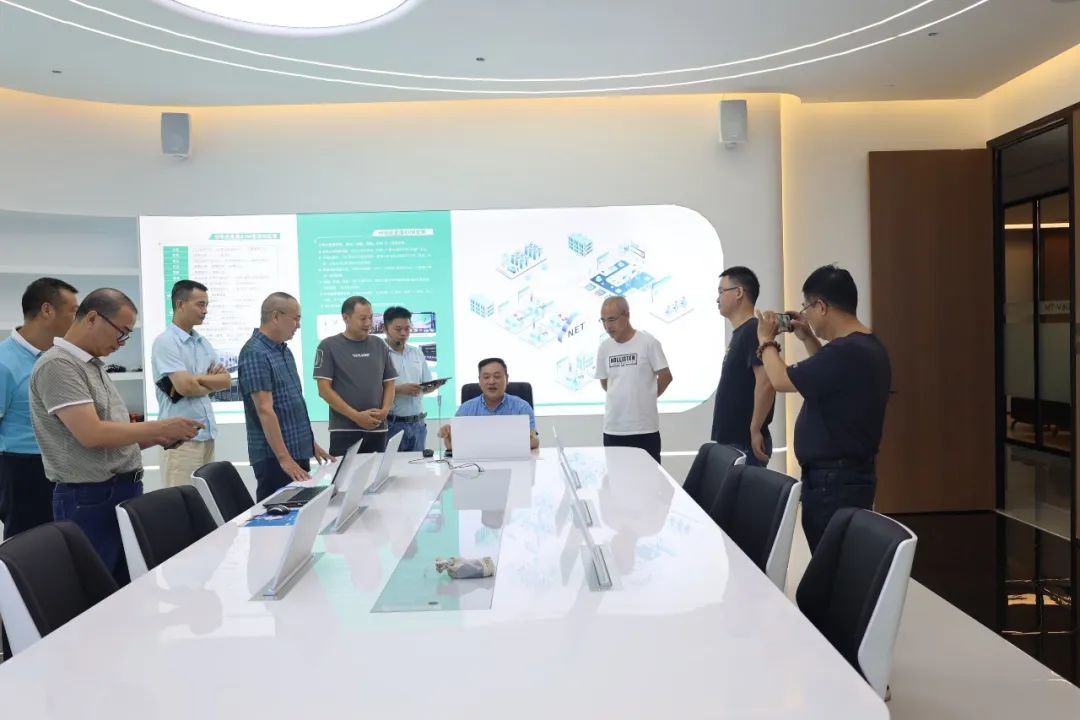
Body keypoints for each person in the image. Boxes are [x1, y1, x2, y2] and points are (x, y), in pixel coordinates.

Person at [29, 289, 203, 583]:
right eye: (121, 332)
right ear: (93, 318)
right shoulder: (58, 365)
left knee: (127, 584)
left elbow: (111, 439)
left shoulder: (91, 365)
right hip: (89, 497)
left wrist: (159, 437)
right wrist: (160, 428)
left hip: (120, 490)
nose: (122, 342)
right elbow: (92, 434)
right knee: (99, 588)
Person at [755, 265, 892, 552]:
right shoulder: (867, 346)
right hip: (847, 478)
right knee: (841, 558)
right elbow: (828, 377)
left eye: (807, 308)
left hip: (834, 483)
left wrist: (766, 340)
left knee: (830, 562)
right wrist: (807, 337)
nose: (806, 315)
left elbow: (780, 380)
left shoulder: (844, 352)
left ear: (821, 306)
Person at [0, 278, 79, 539]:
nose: (77, 320)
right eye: (73, 311)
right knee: (30, 551)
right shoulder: (4, 361)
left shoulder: (63, 357)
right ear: (47, 310)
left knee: (68, 546)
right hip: (24, 471)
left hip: (66, 467)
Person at [239, 292, 331, 501]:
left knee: (300, 510)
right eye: (296, 318)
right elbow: (265, 409)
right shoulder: (255, 352)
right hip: (275, 459)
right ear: (276, 316)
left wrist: (311, 444)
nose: (298, 325)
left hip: (295, 453)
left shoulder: (283, 350)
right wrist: (284, 458)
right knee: (276, 515)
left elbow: (290, 404)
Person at [151, 280, 232, 487]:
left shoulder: (203, 343)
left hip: (206, 434)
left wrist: (196, 380)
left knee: (206, 498)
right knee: (181, 499)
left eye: (206, 305)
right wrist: (205, 381)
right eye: (200, 304)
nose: (205, 311)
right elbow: (184, 387)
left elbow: (225, 381)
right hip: (179, 440)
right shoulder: (166, 342)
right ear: (180, 305)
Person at [313, 296, 397, 455]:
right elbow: (324, 390)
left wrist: (385, 410)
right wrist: (356, 416)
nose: (368, 323)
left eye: (371, 317)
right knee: (345, 472)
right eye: (363, 318)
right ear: (346, 318)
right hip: (344, 429)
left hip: (377, 428)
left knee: (376, 471)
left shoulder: (380, 344)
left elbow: (389, 383)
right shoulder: (328, 346)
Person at [595, 296, 672, 464]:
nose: (607, 326)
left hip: (644, 430)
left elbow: (666, 376)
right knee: (617, 478)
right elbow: (605, 382)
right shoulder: (604, 348)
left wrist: (647, 395)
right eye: (603, 321)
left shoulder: (648, 343)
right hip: (614, 429)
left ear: (627, 315)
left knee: (649, 477)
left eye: (612, 319)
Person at [712, 266, 775, 466]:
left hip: (745, 443)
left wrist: (755, 429)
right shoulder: (742, 332)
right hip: (734, 442)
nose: (717, 299)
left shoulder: (752, 330)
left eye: (721, 291)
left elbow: (766, 381)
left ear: (739, 292)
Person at [438, 358, 539, 452]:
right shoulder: (466, 409)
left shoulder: (521, 407)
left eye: (497, 376)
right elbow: (452, 446)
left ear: (507, 378)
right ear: (479, 381)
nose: (491, 381)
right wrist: (448, 435)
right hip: (476, 462)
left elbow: (534, 441)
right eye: (486, 377)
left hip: (513, 461)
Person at [383, 306, 436, 452]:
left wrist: (429, 387)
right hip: (392, 424)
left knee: (418, 465)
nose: (404, 333)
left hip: (418, 424)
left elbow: (426, 382)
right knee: (393, 465)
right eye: (398, 329)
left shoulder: (416, 352)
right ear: (385, 329)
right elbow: (372, 390)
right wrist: (399, 389)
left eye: (407, 329)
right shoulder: (379, 353)